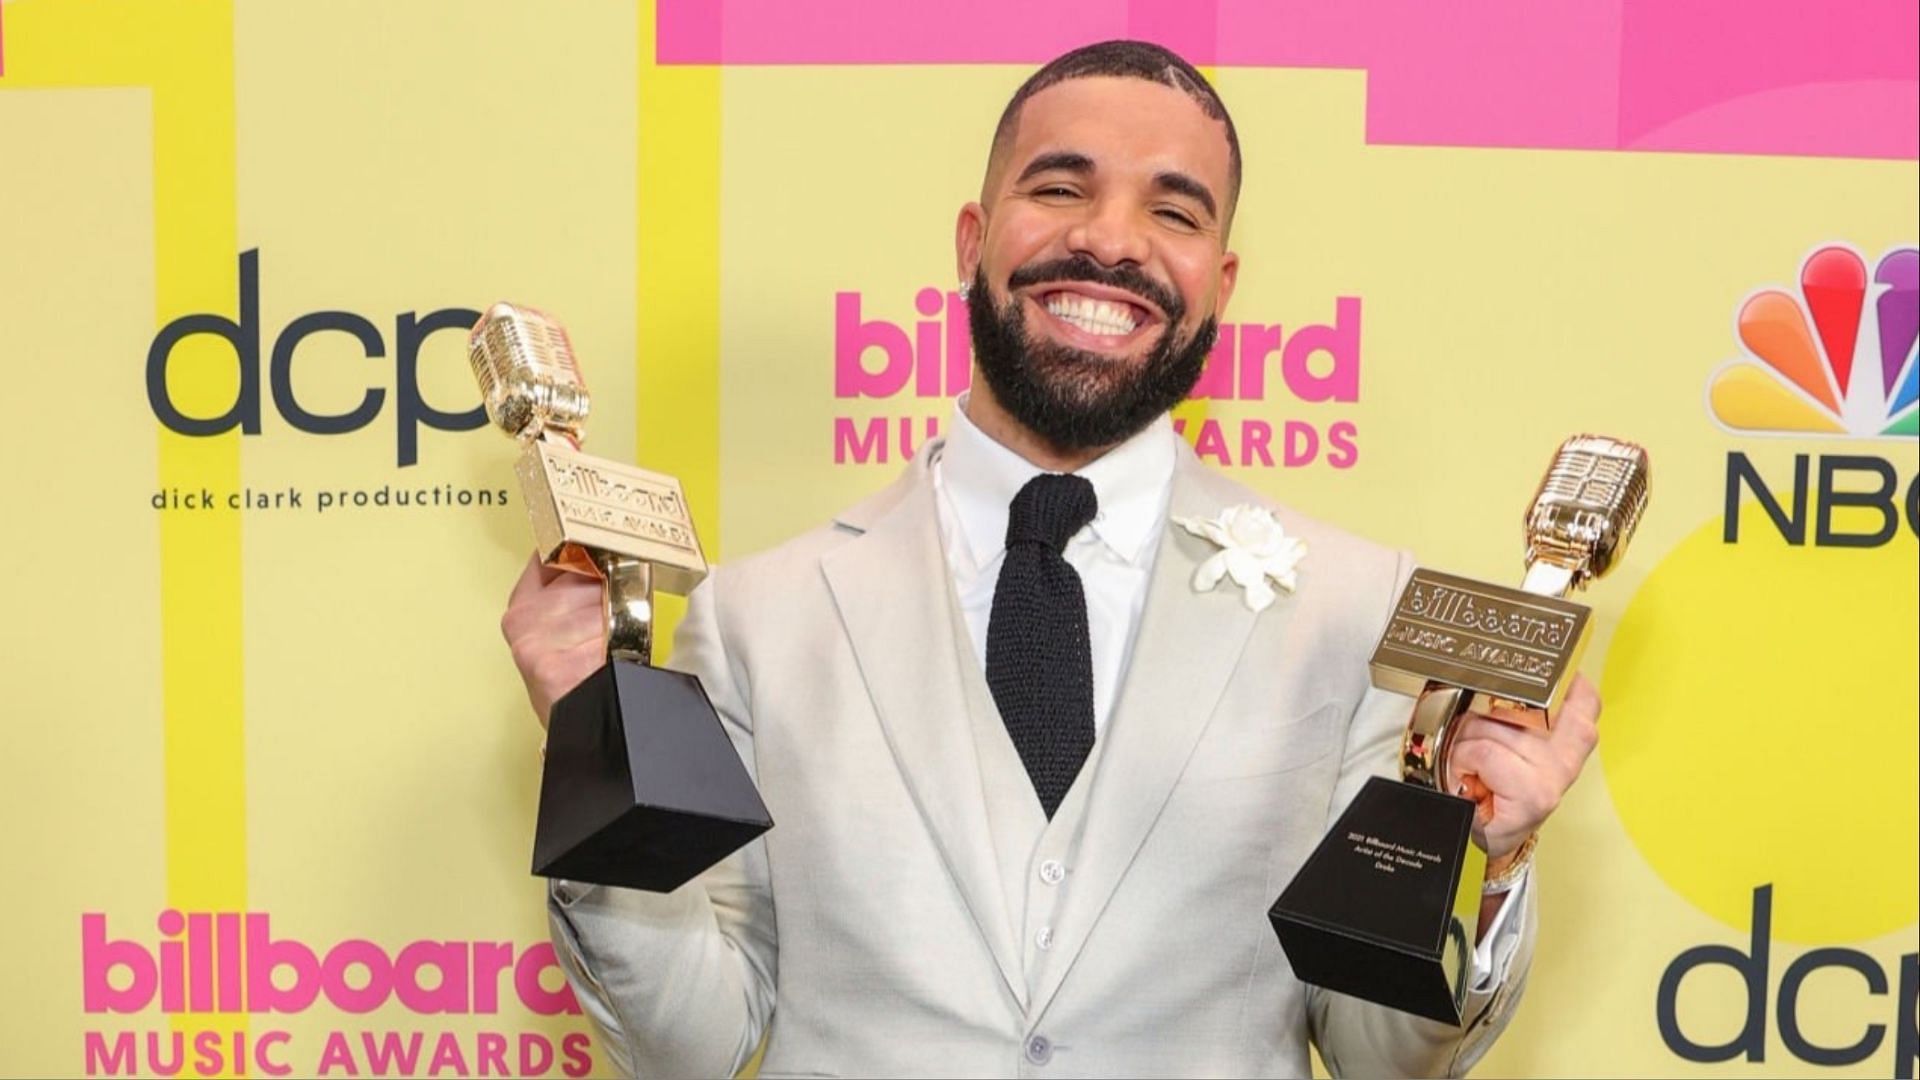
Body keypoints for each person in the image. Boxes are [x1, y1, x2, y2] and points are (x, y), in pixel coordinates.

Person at [500, 40, 1600, 1078]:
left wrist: (1484, 858)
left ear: (1222, 283)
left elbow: (1378, 1051)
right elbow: (691, 1040)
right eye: (1062, 187)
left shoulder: (1358, 607)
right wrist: (597, 743)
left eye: (1172, 209)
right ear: (975, 240)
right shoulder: (761, 613)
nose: (1113, 240)